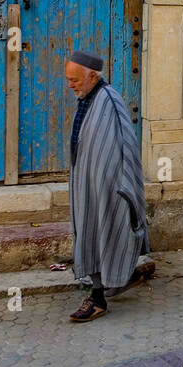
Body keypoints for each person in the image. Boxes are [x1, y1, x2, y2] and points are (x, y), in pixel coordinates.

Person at [63, 49, 152, 322]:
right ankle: (123, 277)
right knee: (94, 235)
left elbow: (126, 145)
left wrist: (122, 187)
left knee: (106, 234)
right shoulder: (89, 98)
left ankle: (98, 298)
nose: (71, 85)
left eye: (75, 79)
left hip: (109, 189)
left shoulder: (109, 100)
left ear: (92, 75)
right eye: (68, 79)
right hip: (89, 187)